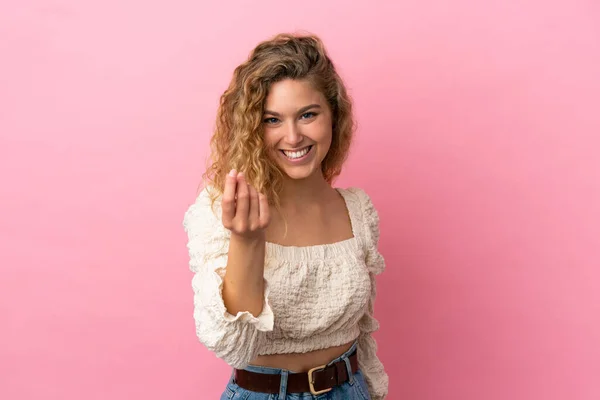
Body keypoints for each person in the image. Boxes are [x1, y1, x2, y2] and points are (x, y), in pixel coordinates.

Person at [183, 32, 389, 399]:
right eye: (272, 120)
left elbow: (363, 334)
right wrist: (246, 240)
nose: (293, 137)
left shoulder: (358, 209)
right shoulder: (219, 211)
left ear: (333, 116)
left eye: (308, 114)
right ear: (251, 127)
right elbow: (233, 347)